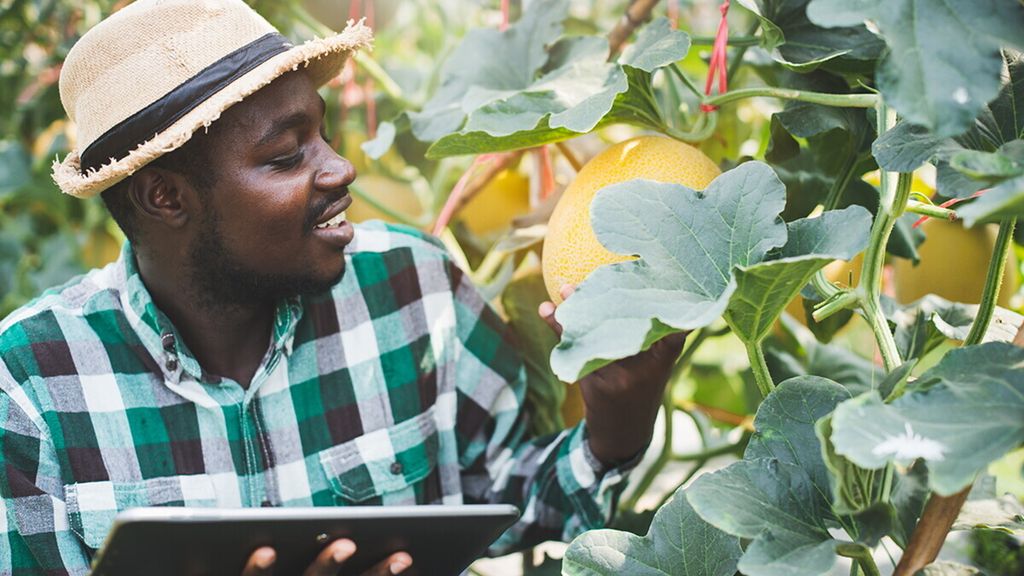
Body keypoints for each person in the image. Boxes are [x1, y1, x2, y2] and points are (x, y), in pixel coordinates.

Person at [0, 1, 684, 574]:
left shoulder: (415, 289)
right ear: (166, 198)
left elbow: (516, 508)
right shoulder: (32, 384)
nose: (340, 169)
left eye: (323, 133)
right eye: (287, 154)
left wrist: (614, 427)